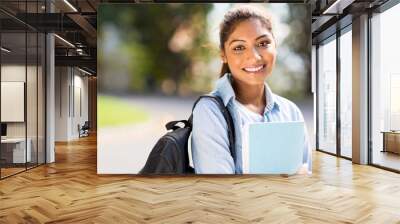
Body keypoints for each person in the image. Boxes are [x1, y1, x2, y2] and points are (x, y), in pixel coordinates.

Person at [191, 5, 312, 174]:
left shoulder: (291, 112)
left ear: (275, 46)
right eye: (239, 47)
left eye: (263, 43)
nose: (254, 57)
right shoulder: (209, 111)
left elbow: (306, 180)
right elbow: (220, 191)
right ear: (223, 55)